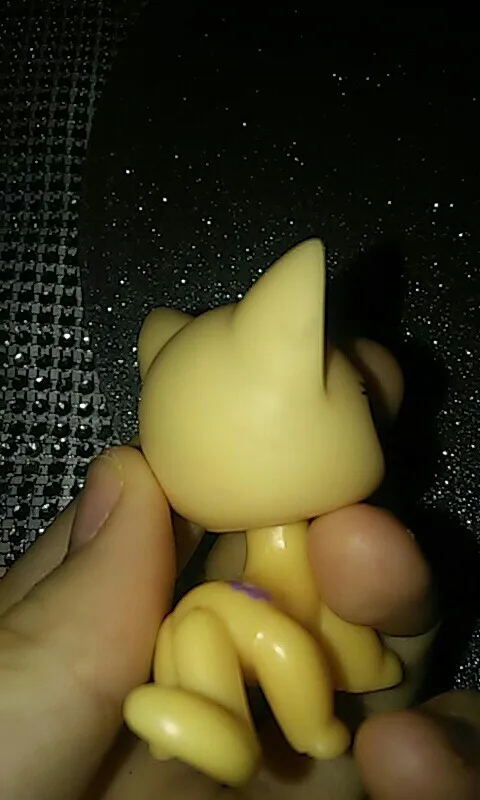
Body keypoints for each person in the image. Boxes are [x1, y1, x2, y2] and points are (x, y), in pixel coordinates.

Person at [0, 445, 478, 799]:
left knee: (286, 632)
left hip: (244, 623)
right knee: (264, 641)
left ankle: (290, 721)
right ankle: (299, 726)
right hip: (226, 630)